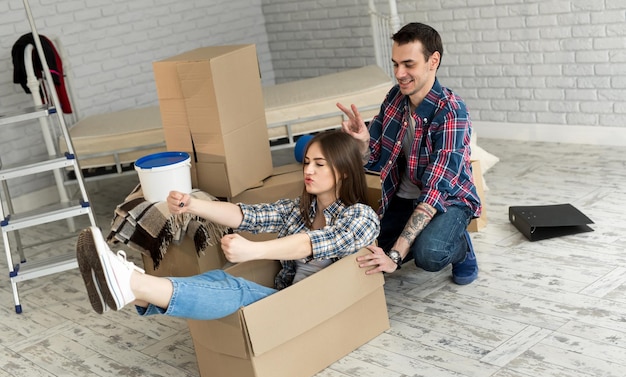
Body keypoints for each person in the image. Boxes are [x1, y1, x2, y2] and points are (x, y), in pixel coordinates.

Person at [75, 130, 380, 319]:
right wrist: (192, 205)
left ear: (343, 172)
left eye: (319, 164)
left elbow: (311, 243)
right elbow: (245, 215)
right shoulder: (298, 210)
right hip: (292, 301)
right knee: (220, 280)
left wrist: (253, 251)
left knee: (236, 289)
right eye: (306, 163)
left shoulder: (361, 217)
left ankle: (131, 282)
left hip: (320, 309)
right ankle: (132, 290)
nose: (308, 170)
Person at [337, 22, 481, 285]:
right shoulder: (394, 98)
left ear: (433, 61)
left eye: (408, 64)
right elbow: (376, 159)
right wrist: (362, 142)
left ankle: (461, 248)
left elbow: (436, 189)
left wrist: (396, 254)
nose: (399, 74)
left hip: (448, 199)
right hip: (404, 196)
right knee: (366, 247)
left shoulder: (452, 112)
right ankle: (431, 236)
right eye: (395, 64)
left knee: (430, 254)